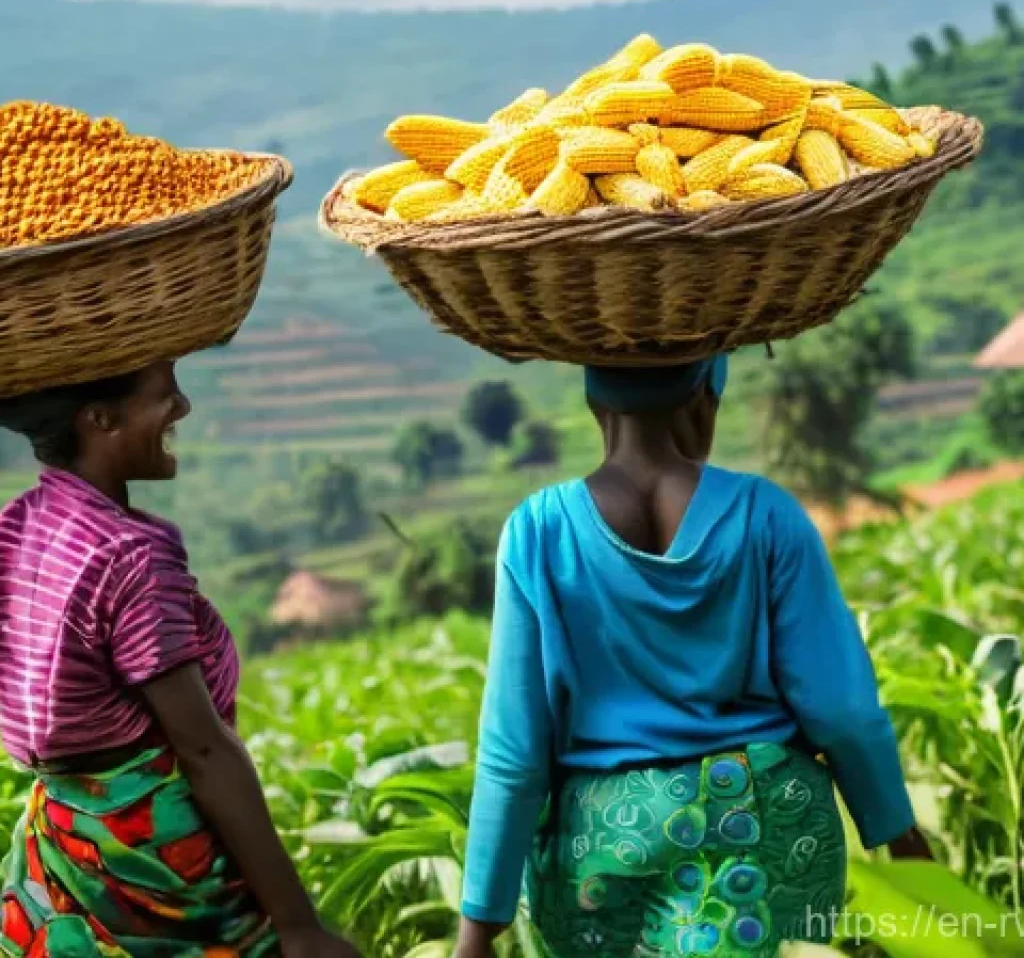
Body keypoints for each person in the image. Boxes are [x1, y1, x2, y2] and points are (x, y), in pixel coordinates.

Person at [455, 356, 932, 958]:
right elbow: (839, 708)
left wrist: (475, 933)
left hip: (602, 843)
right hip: (758, 828)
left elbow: (515, 754)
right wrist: (900, 833)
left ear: (594, 404)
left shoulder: (537, 531)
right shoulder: (766, 515)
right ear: (705, 395)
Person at [0, 361, 361, 958]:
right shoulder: (131, 553)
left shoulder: (15, 528)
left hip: (59, 857)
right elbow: (203, 748)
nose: (184, 409)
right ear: (100, 419)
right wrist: (298, 926)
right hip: (154, 866)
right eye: (165, 397)